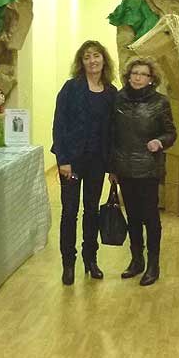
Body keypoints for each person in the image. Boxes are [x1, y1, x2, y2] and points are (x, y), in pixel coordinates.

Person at [51, 40, 117, 285]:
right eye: (87, 57)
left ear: (103, 60)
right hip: (72, 162)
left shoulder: (111, 92)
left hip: (98, 162)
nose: (92, 61)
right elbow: (59, 125)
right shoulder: (71, 88)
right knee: (69, 212)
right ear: (81, 62)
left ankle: (91, 259)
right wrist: (63, 159)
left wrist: (112, 167)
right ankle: (68, 263)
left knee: (92, 211)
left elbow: (113, 132)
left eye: (96, 56)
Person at [108, 57, 176, 286]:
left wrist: (159, 141)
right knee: (133, 217)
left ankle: (153, 264)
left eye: (143, 74)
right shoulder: (117, 100)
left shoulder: (160, 102)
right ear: (128, 76)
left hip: (148, 168)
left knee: (150, 217)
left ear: (151, 79)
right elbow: (111, 136)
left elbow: (171, 133)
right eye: (134, 73)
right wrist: (112, 168)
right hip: (124, 167)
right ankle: (136, 260)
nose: (138, 77)